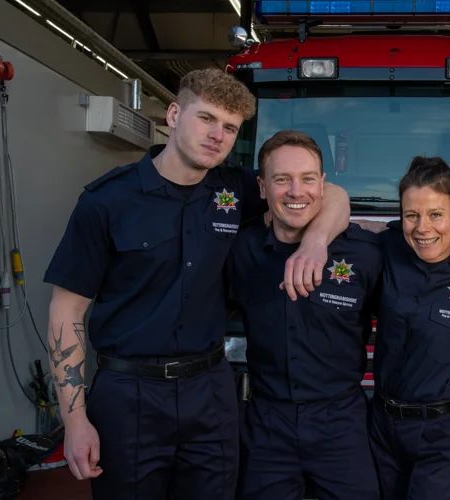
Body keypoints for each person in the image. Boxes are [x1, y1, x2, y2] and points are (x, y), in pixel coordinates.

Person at [43, 69, 350, 499]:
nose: (217, 136)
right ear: (173, 114)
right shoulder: (106, 201)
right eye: (206, 119)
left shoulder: (235, 188)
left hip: (210, 390)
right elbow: (66, 310)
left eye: (229, 127)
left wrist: (315, 242)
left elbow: (331, 193)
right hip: (128, 393)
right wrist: (74, 421)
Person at [226, 129, 382, 499]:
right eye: (282, 180)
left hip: (342, 422)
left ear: (323, 184)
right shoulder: (239, 251)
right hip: (266, 424)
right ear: (262, 188)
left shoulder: (364, 254)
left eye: (308, 179)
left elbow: (407, 313)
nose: (297, 192)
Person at [369, 157, 450, 500]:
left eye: (436, 214)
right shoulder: (386, 249)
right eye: (411, 215)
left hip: (442, 434)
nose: (422, 228)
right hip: (381, 428)